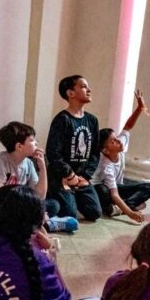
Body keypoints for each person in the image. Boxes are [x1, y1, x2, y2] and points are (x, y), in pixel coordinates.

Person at [0, 121, 77, 233]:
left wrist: (42, 167)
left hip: (21, 206)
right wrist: (32, 209)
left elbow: (40, 195)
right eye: (32, 140)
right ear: (19, 146)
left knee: (54, 205)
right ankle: (45, 224)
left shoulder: (28, 163)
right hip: (3, 208)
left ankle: (37, 223)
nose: (36, 143)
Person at [45, 75, 103, 221]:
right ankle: (56, 197)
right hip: (62, 178)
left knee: (94, 213)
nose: (89, 90)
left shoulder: (92, 120)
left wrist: (85, 176)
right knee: (69, 214)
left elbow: (95, 153)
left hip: (81, 177)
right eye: (83, 86)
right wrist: (70, 175)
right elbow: (53, 153)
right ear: (70, 93)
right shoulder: (62, 119)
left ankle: (73, 197)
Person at [92, 90, 150, 223]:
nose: (119, 140)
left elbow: (128, 126)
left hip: (117, 188)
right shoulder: (106, 166)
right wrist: (131, 213)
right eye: (113, 141)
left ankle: (118, 208)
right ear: (106, 150)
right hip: (105, 191)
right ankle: (125, 206)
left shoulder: (118, 148)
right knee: (102, 190)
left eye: (116, 138)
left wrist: (139, 108)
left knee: (148, 187)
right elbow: (113, 194)